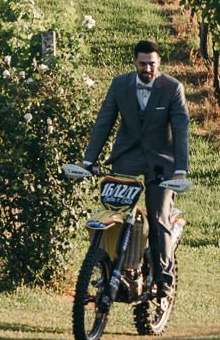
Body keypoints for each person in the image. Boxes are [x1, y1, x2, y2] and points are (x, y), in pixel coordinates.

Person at [81, 39, 189, 300]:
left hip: (161, 162)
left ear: (159, 62)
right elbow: (104, 122)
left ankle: (164, 280)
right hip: (127, 157)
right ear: (134, 62)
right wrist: (88, 160)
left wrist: (180, 170)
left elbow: (181, 129)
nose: (147, 69)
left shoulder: (172, 88)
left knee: (158, 217)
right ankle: (112, 269)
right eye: (143, 64)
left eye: (152, 64)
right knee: (115, 212)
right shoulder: (120, 85)